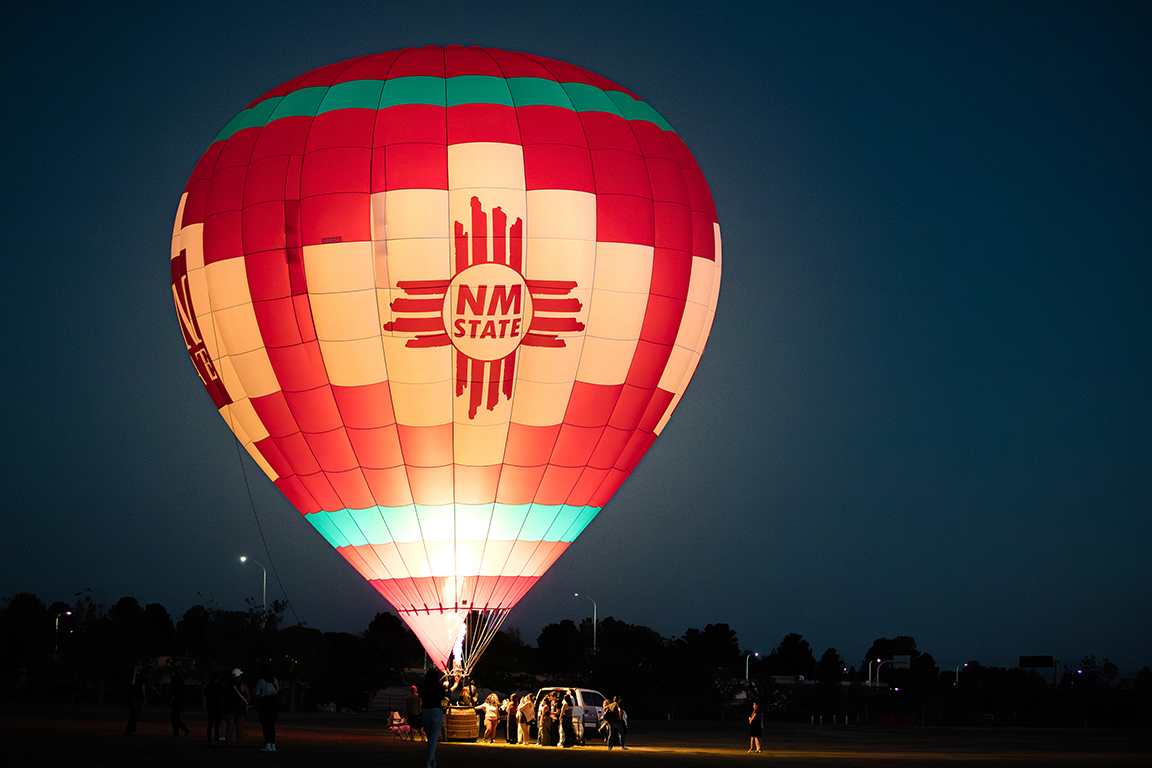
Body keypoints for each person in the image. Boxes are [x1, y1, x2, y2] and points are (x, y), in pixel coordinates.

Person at [419, 668, 446, 768]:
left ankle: (432, 760)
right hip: (436, 712)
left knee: (430, 738)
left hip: (425, 712)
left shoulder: (422, 688)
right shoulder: (440, 688)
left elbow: (421, 695)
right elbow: (443, 695)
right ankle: (429, 761)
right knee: (434, 738)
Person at [254, 663, 280, 752]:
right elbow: (278, 690)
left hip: (264, 703)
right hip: (274, 703)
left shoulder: (261, 681)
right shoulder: (275, 680)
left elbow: (257, 692)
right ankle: (272, 744)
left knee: (265, 724)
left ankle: (268, 744)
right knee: (271, 724)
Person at [223, 668, 249, 747]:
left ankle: (228, 744)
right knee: (239, 727)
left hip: (229, 707)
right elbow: (248, 695)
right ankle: (239, 744)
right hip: (240, 707)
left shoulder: (227, 685)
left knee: (229, 726)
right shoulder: (243, 685)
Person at [169, 662, 191, 737]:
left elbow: (177, 690)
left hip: (177, 701)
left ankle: (183, 731)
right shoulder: (179, 679)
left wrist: (174, 695)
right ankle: (177, 733)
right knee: (175, 717)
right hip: (178, 701)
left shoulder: (177, 680)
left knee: (175, 717)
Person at [202, 670, 224, 747]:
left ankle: (209, 741)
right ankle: (217, 741)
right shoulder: (219, 687)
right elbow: (222, 697)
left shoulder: (208, 686)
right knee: (217, 725)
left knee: (210, 724)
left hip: (210, 707)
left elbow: (205, 695)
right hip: (218, 707)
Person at [124, 661, 146, 736]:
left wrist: (145, 698)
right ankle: (131, 731)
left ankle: (129, 730)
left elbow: (143, 688)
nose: (140, 667)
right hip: (133, 697)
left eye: (141, 666)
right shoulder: (132, 675)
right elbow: (132, 683)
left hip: (139, 697)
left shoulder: (142, 676)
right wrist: (134, 673)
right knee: (134, 714)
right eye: (138, 666)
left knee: (136, 715)